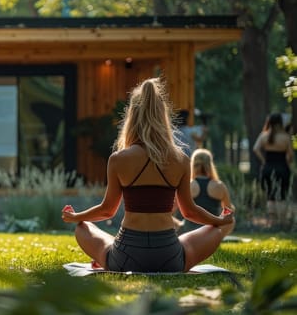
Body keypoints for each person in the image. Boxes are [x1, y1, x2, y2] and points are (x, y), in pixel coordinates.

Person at [61, 78, 234, 272]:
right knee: (215, 232)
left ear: (132, 117)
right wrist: (220, 221)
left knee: (83, 228)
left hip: (125, 257)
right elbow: (190, 212)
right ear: (163, 117)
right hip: (169, 258)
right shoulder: (181, 160)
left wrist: (77, 216)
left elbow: (107, 210)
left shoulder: (118, 159)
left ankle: (102, 260)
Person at [252, 112, 293, 225]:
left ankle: (272, 222)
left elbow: (255, 148)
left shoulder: (264, 136)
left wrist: (264, 160)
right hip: (282, 168)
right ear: (280, 123)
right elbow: (290, 155)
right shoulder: (285, 137)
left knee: (270, 196)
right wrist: (287, 163)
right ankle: (282, 221)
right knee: (282, 196)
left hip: (268, 168)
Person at [183, 149, 236, 233]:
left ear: (193, 164)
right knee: (232, 219)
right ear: (210, 165)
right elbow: (228, 211)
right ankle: (217, 239)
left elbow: (171, 209)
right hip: (211, 232)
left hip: (189, 232)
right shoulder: (219, 185)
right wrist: (220, 220)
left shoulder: (187, 185)